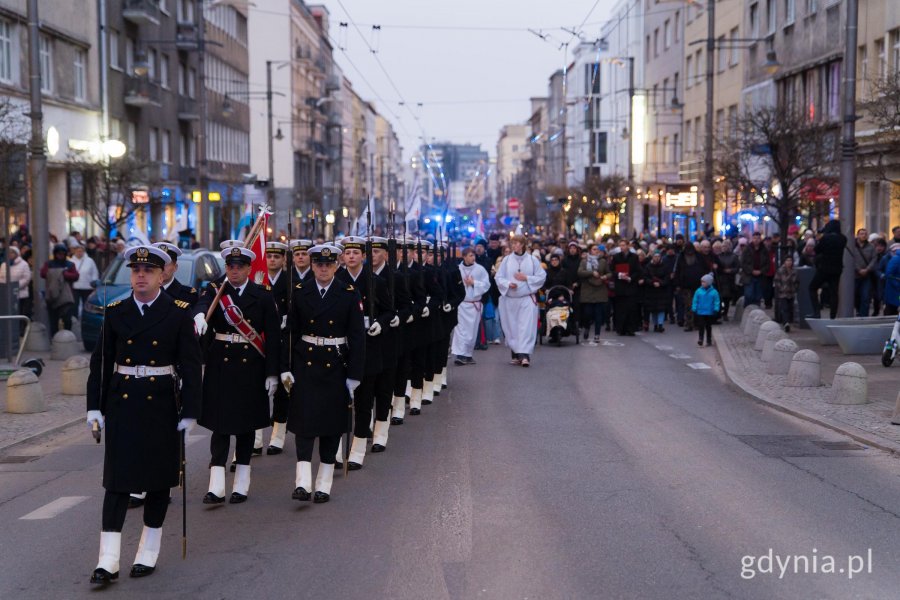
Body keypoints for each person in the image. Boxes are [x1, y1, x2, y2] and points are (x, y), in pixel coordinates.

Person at [85, 245, 202, 584]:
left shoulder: (177, 313)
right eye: (135, 270)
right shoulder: (117, 311)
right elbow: (101, 364)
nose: (139, 276)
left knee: (157, 483)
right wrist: (95, 406)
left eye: (147, 271)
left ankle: (148, 551)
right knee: (117, 482)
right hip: (123, 404)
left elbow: (191, 367)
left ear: (161, 274)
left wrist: (190, 411)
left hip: (162, 405)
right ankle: (107, 559)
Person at [193, 243, 281, 505]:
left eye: (239, 266)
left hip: (251, 367)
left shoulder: (263, 295)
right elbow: (202, 302)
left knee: (244, 430)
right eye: (230, 266)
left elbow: (274, 338)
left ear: (248, 268)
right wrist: (199, 315)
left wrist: (272, 373)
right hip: (221, 366)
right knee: (219, 429)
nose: (234, 271)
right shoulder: (217, 291)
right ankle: (216, 486)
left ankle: (241, 484)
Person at [280, 244, 365, 503]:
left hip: (335, 365)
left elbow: (357, 337)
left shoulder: (348, 293)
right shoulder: (299, 291)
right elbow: (290, 333)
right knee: (304, 426)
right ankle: (303, 482)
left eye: (328, 265)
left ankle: (324, 483)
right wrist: (285, 366)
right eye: (318, 264)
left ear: (336, 266)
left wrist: (355, 374)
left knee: (331, 427)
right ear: (313, 266)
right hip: (306, 363)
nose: (323, 269)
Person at [333, 236, 392, 471]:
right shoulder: (336, 280)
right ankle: (337, 448)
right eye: (347, 253)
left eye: (356, 253)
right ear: (342, 257)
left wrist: (381, 323)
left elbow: (389, 311)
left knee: (364, 399)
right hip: (342, 347)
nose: (351, 257)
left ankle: (357, 449)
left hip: (369, 345)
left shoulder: (374, 282)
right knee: (339, 400)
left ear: (363, 256)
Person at [495, 234, 546, 367]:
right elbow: (498, 277)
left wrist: (527, 278)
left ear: (523, 245)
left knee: (525, 327)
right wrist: (507, 284)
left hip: (526, 299)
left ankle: (524, 356)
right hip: (510, 300)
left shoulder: (532, 260)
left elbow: (542, 277)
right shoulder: (506, 260)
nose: (514, 246)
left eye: (517, 243)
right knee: (512, 327)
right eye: (512, 244)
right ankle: (516, 354)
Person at [262, 241, 291, 455]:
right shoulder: (257, 280)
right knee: (257, 389)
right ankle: (254, 438)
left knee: (282, 390)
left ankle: (278, 435)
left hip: (282, 340)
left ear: (283, 260)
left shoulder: (290, 282)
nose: (272, 260)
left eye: (276, 257)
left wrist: (287, 319)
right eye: (269, 256)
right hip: (260, 341)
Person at [451, 247, 490, 364]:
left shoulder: (480, 269)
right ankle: (460, 355)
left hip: (474, 305)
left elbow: (486, 284)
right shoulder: (457, 269)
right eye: (470, 255)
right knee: (460, 330)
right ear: (464, 257)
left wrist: (474, 283)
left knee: (472, 332)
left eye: (474, 255)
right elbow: (452, 285)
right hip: (461, 305)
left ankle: (468, 355)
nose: (473, 257)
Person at [808, 220, 846, 319]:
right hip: (837, 269)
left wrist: (819, 240)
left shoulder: (826, 238)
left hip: (824, 268)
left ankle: (816, 312)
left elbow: (817, 250)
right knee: (834, 292)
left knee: (812, 287)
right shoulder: (843, 239)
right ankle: (833, 316)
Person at [40, 243, 79, 336]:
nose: (60, 256)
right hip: (52, 295)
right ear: (55, 254)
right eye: (58, 253)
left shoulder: (70, 264)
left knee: (67, 320)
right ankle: (54, 339)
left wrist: (64, 274)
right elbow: (42, 273)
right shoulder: (49, 264)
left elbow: (76, 276)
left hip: (66, 297)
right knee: (53, 321)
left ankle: (67, 338)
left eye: (62, 253)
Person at [577, 243, 610, 344]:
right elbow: (580, 272)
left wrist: (605, 276)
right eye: (594, 249)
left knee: (598, 314)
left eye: (597, 249)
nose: (596, 251)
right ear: (590, 250)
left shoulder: (603, 261)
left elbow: (609, 272)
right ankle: (587, 328)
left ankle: (597, 334)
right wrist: (591, 273)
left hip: (600, 290)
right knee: (587, 313)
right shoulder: (584, 261)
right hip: (588, 290)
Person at [610, 240, 643, 336]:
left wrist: (631, 278)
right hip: (620, 287)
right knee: (620, 308)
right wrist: (619, 274)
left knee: (631, 308)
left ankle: (631, 328)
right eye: (620, 245)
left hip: (630, 286)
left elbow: (638, 271)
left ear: (628, 246)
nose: (622, 247)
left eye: (623, 245)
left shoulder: (634, 257)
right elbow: (612, 270)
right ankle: (621, 328)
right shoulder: (616, 257)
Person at [0, 246, 31, 333]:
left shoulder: (24, 264)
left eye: (12, 252)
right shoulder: (3, 265)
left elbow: (26, 278)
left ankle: (21, 330)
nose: (10, 254)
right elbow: (1, 277)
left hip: (20, 294)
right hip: (7, 293)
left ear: (16, 254)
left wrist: (15, 286)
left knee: (20, 312)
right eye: (9, 253)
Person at [849, 228, 877, 316]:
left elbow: (874, 259)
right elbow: (850, 259)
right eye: (861, 234)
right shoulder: (852, 246)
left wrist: (867, 269)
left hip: (866, 275)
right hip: (855, 275)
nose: (863, 235)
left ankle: (863, 315)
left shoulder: (871, 247)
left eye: (865, 234)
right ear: (858, 235)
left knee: (866, 297)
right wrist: (858, 269)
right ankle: (858, 310)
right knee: (855, 296)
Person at [642, 250, 671, 333]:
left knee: (661, 309)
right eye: (655, 256)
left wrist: (661, 283)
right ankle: (655, 324)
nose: (657, 258)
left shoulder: (664, 266)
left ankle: (660, 324)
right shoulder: (648, 267)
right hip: (651, 290)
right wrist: (652, 283)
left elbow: (667, 278)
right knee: (653, 309)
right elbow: (645, 277)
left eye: (658, 256)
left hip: (661, 290)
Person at [70, 242, 99, 318]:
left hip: (87, 287)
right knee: (75, 304)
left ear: (83, 251)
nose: (79, 253)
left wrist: (94, 282)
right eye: (78, 251)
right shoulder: (71, 261)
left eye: (81, 251)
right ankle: (75, 317)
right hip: (75, 287)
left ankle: (85, 317)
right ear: (75, 252)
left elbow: (94, 272)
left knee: (86, 304)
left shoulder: (90, 261)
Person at [740, 232, 769, 308]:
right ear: (752, 239)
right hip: (749, 275)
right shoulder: (747, 249)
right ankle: (747, 310)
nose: (756, 240)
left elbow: (767, 263)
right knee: (749, 294)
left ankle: (756, 311)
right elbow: (743, 262)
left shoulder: (764, 250)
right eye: (755, 238)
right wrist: (751, 270)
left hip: (760, 275)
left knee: (758, 296)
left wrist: (761, 271)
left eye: (758, 238)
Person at [692, 273, 720, 347]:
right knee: (701, 326)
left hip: (709, 312)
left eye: (704, 282)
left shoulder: (714, 292)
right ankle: (700, 339)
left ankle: (708, 340)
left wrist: (716, 309)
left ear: (709, 283)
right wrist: (694, 308)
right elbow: (695, 300)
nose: (702, 283)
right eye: (702, 282)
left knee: (708, 326)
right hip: (700, 312)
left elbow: (716, 301)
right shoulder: (698, 291)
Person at [715, 240, 740, 321]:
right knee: (719, 297)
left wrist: (731, 271)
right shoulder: (718, 256)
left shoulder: (734, 256)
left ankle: (725, 312)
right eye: (723, 246)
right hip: (720, 279)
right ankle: (719, 312)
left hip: (729, 280)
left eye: (725, 246)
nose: (724, 248)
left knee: (726, 298)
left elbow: (737, 267)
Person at [773, 256, 799, 332]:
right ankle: (786, 323)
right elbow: (777, 280)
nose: (789, 262)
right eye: (787, 260)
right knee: (784, 309)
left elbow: (797, 282)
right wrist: (780, 288)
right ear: (784, 262)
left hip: (791, 293)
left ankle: (788, 321)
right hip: (783, 293)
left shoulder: (794, 271)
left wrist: (795, 288)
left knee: (790, 308)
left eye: (790, 260)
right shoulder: (780, 270)